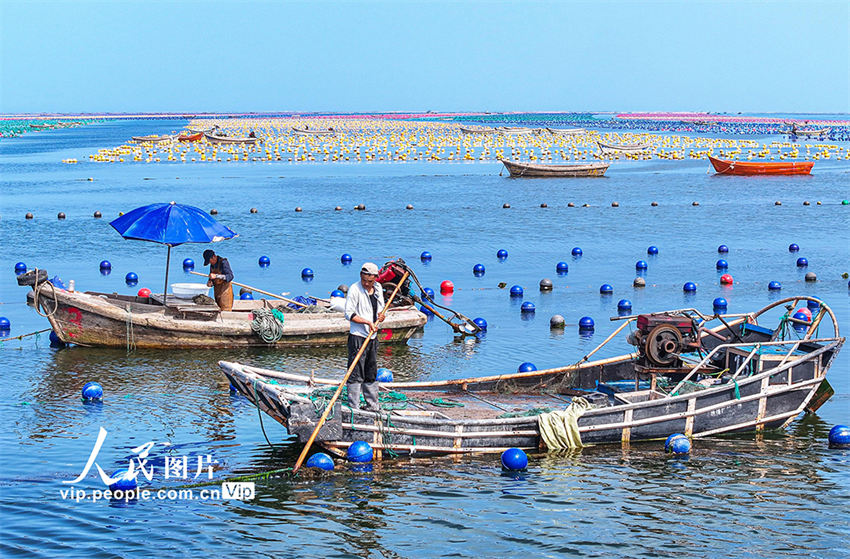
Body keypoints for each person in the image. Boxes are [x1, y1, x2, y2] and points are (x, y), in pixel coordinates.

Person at [344, 262, 386, 410]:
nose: (366, 284)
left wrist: (381, 317)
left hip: (372, 336)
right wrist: (367, 322)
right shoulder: (355, 289)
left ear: (375, 278)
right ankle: (354, 407)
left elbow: (380, 310)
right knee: (356, 371)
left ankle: (372, 405)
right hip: (358, 336)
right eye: (364, 280)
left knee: (371, 369)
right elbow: (349, 314)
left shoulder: (378, 288)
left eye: (370, 281)